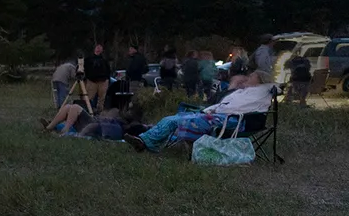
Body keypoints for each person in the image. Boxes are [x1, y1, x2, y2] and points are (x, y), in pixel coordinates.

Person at [125, 72, 275, 153]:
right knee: (172, 118)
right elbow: (225, 103)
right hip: (220, 116)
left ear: (260, 81)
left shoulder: (260, 92)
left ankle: (146, 142)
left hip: (234, 121)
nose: (248, 79)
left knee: (181, 120)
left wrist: (218, 110)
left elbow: (237, 108)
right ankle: (144, 141)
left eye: (251, 77)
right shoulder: (245, 92)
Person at [82, 45, 111, 109]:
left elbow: (108, 70)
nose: (98, 49)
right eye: (97, 47)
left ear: (102, 50)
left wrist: (107, 79)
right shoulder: (88, 59)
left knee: (102, 98)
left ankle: (99, 111)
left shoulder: (104, 60)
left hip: (103, 81)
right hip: (92, 81)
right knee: (88, 97)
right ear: (94, 49)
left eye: (100, 48)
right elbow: (82, 68)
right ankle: (86, 110)